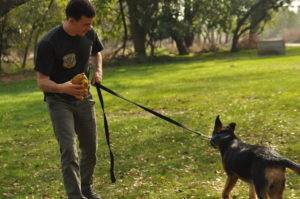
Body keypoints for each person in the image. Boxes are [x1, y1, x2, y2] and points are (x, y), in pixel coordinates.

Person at [34, 0, 103, 198]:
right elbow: (42, 82)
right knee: (69, 151)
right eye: (86, 24)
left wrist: (98, 71)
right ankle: (75, 196)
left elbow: (97, 53)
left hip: (83, 98)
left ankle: (87, 188)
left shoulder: (89, 33)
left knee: (90, 148)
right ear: (71, 20)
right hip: (59, 102)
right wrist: (63, 88)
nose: (90, 28)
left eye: (91, 23)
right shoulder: (48, 43)